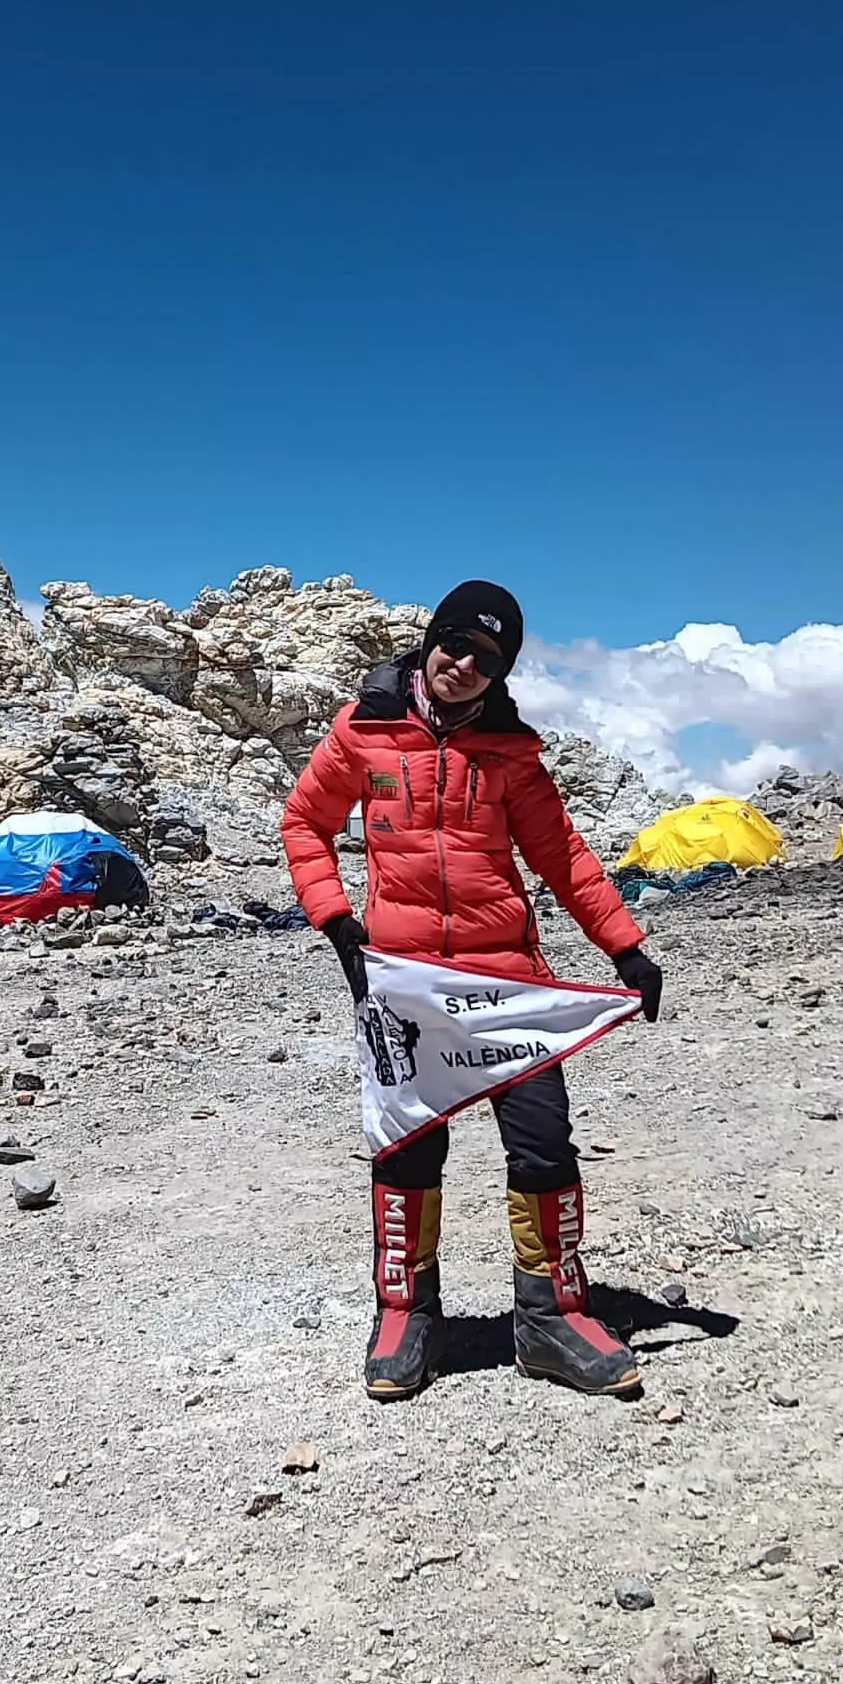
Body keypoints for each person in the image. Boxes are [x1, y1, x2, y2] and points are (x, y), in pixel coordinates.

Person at [282, 580, 663, 1402]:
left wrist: (625, 949)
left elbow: (562, 855)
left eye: (486, 660)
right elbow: (304, 825)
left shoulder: (512, 755)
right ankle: (407, 1318)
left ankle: (551, 1320)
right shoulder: (363, 731)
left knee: (543, 1143)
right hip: (405, 982)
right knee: (409, 1146)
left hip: (506, 981)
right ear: (429, 641)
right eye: (454, 645)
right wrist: (336, 922)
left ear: (502, 674)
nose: (463, 665)